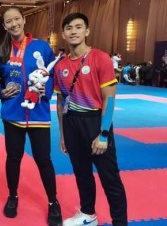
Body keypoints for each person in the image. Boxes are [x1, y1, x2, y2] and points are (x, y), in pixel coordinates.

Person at [54, 12, 127, 226]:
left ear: (86, 31)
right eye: (69, 28)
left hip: (96, 121)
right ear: (64, 35)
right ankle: (88, 213)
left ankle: (120, 222)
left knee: (109, 178)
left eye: (78, 27)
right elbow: (61, 103)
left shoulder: (100, 58)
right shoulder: (60, 66)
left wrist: (103, 134)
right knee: (81, 173)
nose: (73, 31)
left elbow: (110, 99)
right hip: (72, 123)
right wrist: (63, 135)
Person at [0, 6, 62, 226]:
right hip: (13, 114)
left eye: (16, 19)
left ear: (24, 20)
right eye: (8, 21)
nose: (13, 24)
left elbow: (50, 75)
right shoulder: (0, 52)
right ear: (4, 26)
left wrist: (46, 91)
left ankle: (53, 202)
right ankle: (13, 197)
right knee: (14, 159)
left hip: (39, 114)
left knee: (44, 160)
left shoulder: (41, 46)